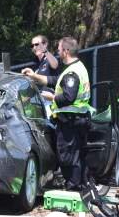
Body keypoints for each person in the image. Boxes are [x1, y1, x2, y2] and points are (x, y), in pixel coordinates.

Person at [22, 37, 93, 192]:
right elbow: (55, 80)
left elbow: (68, 97)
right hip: (77, 119)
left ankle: (73, 188)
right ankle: (80, 187)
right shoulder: (76, 67)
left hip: (70, 122)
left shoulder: (72, 72)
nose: (58, 52)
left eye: (60, 49)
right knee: (76, 156)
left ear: (66, 51)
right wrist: (34, 76)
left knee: (68, 157)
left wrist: (51, 97)